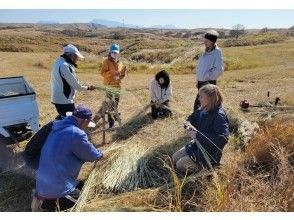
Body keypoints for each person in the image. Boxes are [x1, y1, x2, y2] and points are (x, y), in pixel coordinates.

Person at [31, 105, 103, 212]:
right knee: (87, 200)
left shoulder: (57, 128)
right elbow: (91, 154)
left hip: (43, 184)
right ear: (84, 120)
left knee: (82, 185)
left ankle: (45, 202)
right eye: (88, 123)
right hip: (56, 190)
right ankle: (50, 204)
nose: (88, 126)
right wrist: (101, 155)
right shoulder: (76, 133)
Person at [172, 84, 229, 173]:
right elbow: (192, 118)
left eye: (201, 96)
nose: (199, 99)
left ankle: (207, 168)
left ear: (209, 98)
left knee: (180, 165)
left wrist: (197, 135)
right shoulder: (202, 108)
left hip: (209, 153)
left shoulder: (218, 115)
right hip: (197, 145)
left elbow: (222, 139)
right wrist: (188, 125)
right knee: (174, 158)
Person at [51, 44, 95, 118]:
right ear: (72, 56)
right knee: (72, 121)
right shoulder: (64, 66)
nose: (77, 59)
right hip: (64, 100)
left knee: (64, 119)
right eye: (76, 57)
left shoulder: (58, 62)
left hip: (59, 99)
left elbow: (71, 81)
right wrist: (88, 88)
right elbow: (76, 86)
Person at [95, 43, 126, 128]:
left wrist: (119, 77)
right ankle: (110, 120)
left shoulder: (121, 63)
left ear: (118, 53)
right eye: (112, 52)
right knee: (109, 104)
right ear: (110, 52)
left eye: (115, 52)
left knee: (116, 103)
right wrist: (111, 73)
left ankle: (115, 115)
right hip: (109, 86)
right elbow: (102, 73)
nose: (114, 54)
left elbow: (123, 74)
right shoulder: (106, 62)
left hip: (117, 87)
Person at [193, 30, 224, 112]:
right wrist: (198, 80)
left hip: (208, 82)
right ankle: (200, 119)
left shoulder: (217, 51)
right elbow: (200, 67)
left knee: (203, 104)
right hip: (201, 82)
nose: (205, 42)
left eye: (207, 40)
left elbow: (219, 69)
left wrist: (207, 77)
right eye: (204, 39)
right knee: (202, 103)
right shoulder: (204, 51)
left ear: (212, 41)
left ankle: (201, 119)